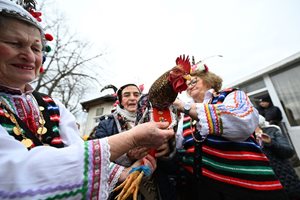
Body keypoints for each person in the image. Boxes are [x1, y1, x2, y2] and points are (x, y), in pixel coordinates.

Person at [0, 1, 174, 199]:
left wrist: (135, 169)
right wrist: (130, 143)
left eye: (36, 48)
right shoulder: (108, 122)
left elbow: (77, 151)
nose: (29, 55)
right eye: (15, 43)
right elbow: (12, 174)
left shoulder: (52, 106)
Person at [172, 62, 288, 200]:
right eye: (187, 84)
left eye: (194, 81)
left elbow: (243, 121)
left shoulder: (231, 95)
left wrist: (184, 106)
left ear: (208, 79)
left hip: (248, 188)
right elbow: (178, 146)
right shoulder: (185, 118)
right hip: (203, 190)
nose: (190, 85)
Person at [94, 83, 171, 199]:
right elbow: (98, 155)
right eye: (126, 95)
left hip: (155, 186)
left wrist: (167, 149)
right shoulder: (106, 124)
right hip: (120, 189)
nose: (132, 98)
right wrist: (128, 156)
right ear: (120, 100)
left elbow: (173, 161)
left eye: (136, 94)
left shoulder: (154, 119)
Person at [255, 115, 300, 200]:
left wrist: (271, 142)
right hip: (266, 186)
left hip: (286, 179)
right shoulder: (243, 139)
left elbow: (288, 152)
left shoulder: (271, 131)